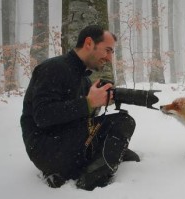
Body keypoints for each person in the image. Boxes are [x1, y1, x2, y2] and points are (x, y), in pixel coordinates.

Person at [20, 25, 140, 191]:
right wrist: (88, 103)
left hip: (67, 141)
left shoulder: (84, 79)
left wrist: (97, 103)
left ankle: (99, 157)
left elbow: (79, 117)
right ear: (89, 43)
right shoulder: (53, 68)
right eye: (107, 50)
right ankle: (91, 180)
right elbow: (42, 116)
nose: (109, 58)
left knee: (117, 123)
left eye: (111, 52)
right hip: (47, 149)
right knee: (123, 122)